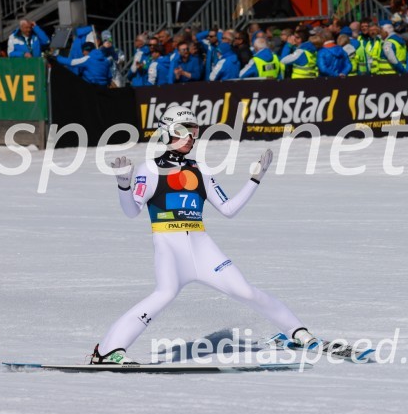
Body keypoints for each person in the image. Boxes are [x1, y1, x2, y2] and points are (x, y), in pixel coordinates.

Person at [91, 107, 317, 364]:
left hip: (203, 248)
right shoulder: (149, 169)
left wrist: (255, 180)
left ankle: (297, 331)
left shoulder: (200, 169)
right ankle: (107, 351)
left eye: (194, 131)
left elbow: (228, 209)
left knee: (245, 291)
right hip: (170, 248)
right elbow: (132, 211)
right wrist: (123, 186)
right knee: (163, 295)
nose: (190, 137)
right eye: (182, 131)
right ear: (165, 133)